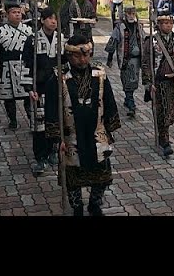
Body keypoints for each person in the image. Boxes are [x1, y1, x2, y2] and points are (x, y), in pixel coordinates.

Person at [44, 34, 121, 216]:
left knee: (101, 176)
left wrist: (110, 129)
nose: (83, 59)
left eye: (86, 55)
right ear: (69, 56)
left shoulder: (99, 74)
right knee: (73, 177)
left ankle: (95, 204)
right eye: (78, 56)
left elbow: (109, 101)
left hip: (96, 133)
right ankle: (77, 207)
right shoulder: (58, 77)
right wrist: (57, 137)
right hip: (72, 136)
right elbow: (51, 109)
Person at [141, 10, 174, 156]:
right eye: (164, 23)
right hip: (159, 82)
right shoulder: (152, 41)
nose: (167, 26)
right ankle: (164, 140)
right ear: (159, 24)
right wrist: (148, 83)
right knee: (161, 111)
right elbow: (146, 63)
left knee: (172, 112)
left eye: (169, 23)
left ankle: (164, 132)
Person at [23, 8, 65, 174]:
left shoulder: (60, 39)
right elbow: (26, 64)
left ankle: (53, 151)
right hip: (39, 88)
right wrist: (29, 88)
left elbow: (66, 63)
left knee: (55, 121)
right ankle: (40, 157)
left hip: (56, 88)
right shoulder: (32, 40)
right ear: (42, 20)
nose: (53, 21)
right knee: (39, 126)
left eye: (55, 18)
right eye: (49, 18)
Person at [0, 0, 33, 130]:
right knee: (9, 98)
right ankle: (12, 120)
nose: (17, 15)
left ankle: (32, 120)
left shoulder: (28, 30)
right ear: (7, 14)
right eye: (14, 12)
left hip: (24, 67)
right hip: (6, 67)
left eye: (19, 12)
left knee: (29, 97)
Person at [105, 6, 145, 116]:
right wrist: (109, 58)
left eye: (133, 13)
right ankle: (131, 103)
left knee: (133, 80)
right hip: (125, 59)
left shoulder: (139, 27)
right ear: (125, 14)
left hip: (136, 60)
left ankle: (128, 99)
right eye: (129, 13)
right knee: (127, 80)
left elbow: (144, 40)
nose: (131, 15)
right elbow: (113, 41)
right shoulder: (120, 27)